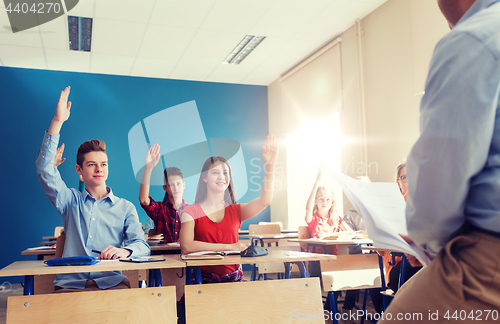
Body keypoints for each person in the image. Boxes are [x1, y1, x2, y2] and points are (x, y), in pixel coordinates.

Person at [380, 0, 500, 321]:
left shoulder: (472, 39)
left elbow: (437, 196)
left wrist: (428, 239)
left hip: (487, 261)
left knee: (399, 314)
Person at [36, 87, 150, 292]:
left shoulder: (125, 207)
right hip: (71, 285)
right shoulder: (70, 201)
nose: (99, 169)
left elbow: (142, 246)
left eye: (103, 164)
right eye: (91, 165)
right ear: (79, 170)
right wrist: (57, 121)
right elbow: (44, 170)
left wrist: (124, 251)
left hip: (112, 283)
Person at [179, 135, 278, 283]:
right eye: (215, 172)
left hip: (234, 281)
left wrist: (270, 166)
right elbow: (186, 246)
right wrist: (230, 247)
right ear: (204, 178)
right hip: (202, 283)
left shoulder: (236, 210)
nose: (222, 177)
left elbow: (265, 201)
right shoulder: (190, 211)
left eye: (225, 173)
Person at [139, 143, 186, 243]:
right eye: (171, 185)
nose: (176, 188)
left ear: (184, 185)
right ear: (165, 188)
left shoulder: (192, 211)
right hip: (164, 256)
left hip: (185, 256)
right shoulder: (160, 209)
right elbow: (143, 200)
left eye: (178, 183)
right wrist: (148, 167)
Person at [305, 166, 352, 255]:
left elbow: (350, 233)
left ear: (332, 202)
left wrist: (329, 236)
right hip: (317, 260)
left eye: (328, 200)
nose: (324, 202)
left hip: (333, 259)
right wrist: (317, 182)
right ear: (315, 201)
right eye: (321, 199)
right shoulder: (313, 219)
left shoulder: (336, 219)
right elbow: (308, 208)